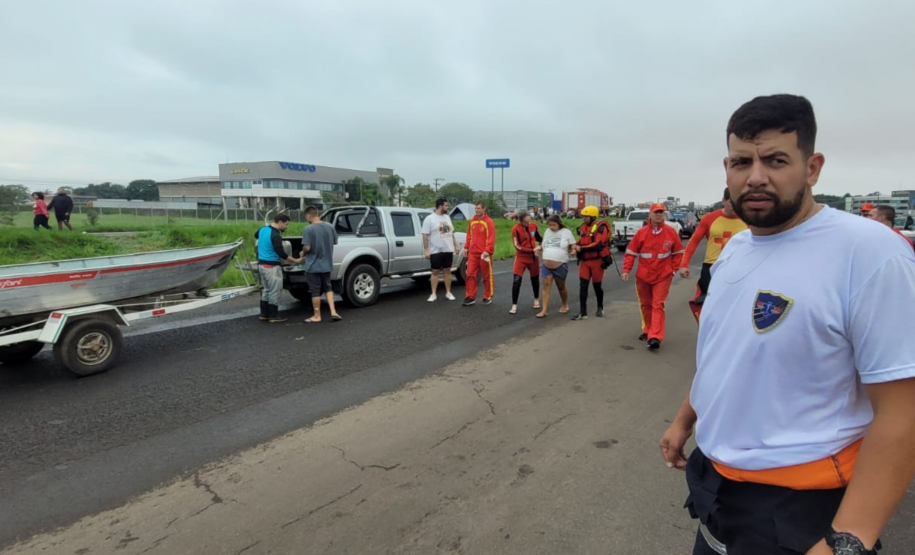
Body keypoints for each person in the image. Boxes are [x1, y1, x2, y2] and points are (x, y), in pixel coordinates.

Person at [660, 94, 915, 555]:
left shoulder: (870, 253)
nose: (756, 176)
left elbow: (903, 412)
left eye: (776, 160)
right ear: (727, 168)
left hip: (806, 510)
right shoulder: (736, 250)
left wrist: (848, 541)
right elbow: (724, 353)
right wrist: (685, 419)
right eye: (742, 161)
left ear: (812, 167)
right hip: (717, 489)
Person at [678, 188, 748, 323]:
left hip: (738, 268)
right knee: (709, 307)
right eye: (730, 201)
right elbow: (693, 242)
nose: (734, 205)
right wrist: (684, 264)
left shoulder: (748, 219)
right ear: (723, 201)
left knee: (735, 307)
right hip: (711, 267)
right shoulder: (710, 218)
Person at [622, 203, 683, 350]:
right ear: (649, 214)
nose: (659, 215)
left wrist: (673, 270)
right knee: (646, 304)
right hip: (643, 276)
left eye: (661, 212)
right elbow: (631, 252)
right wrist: (626, 270)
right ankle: (648, 329)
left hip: (663, 276)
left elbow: (678, 253)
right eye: (656, 212)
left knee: (657, 304)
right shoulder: (642, 233)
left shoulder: (670, 232)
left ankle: (655, 336)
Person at [255, 214, 302, 323]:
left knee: (266, 289)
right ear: (280, 222)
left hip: (261, 265)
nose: (287, 227)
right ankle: (273, 315)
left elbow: (256, 235)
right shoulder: (276, 235)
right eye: (286, 224)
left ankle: (264, 314)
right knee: (274, 291)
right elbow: (281, 253)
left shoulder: (263, 229)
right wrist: (296, 260)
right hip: (271, 266)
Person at [571, 205, 612, 320]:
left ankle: (600, 307)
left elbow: (598, 244)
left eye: (586, 217)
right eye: (583, 217)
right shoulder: (584, 227)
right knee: (583, 286)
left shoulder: (601, 227)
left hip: (596, 261)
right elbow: (583, 240)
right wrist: (576, 245)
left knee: (597, 286)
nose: (583, 219)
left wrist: (581, 248)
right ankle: (583, 312)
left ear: (593, 217)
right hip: (585, 261)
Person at [301, 205, 342, 323]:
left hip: (312, 265)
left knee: (315, 290)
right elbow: (335, 241)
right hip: (327, 263)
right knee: (328, 287)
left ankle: (317, 315)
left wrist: (302, 253)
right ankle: (333, 312)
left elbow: (307, 247)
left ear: (308, 215)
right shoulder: (329, 226)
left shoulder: (308, 229)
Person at [534, 215, 574, 318]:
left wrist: (573, 250)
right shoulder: (547, 232)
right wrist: (538, 248)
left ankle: (564, 303)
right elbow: (543, 245)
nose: (551, 227)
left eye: (554, 225)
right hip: (546, 264)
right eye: (550, 225)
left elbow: (573, 245)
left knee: (561, 287)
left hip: (560, 264)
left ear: (559, 223)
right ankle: (544, 310)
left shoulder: (566, 232)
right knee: (546, 286)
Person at [422, 198, 459, 302]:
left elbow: (451, 233)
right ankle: (433, 294)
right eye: (446, 205)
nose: (447, 207)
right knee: (435, 272)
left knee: (448, 270)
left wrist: (455, 245)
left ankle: (448, 292)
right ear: (440, 206)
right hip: (435, 250)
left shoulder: (447, 217)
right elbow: (425, 235)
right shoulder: (430, 219)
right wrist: (426, 250)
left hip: (448, 249)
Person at [462, 201, 496, 306]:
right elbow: (469, 235)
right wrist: (466, 247)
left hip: (484, 254)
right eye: (475, 208)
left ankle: (487, 296)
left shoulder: (489, 222)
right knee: (470, 274)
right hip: (473, 253)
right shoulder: (472, 221)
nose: (476, 210)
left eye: (478, 208)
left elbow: (491, 237)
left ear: (484, 209)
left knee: (486, 275)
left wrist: (487, 250)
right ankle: (470, 296)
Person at [510, 210, 541, 314]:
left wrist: (542, 244)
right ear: (520, 221)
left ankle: (536, 299)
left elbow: (538, 238)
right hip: (521, 257)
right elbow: (517, 246)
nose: (528, 224)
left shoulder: (534, 226)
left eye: (529, 221)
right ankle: (514, 305)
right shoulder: (515, 229)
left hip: (533, 258)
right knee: (516, 281)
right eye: (526, 222)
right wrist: (532, 250)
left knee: (535, 280)